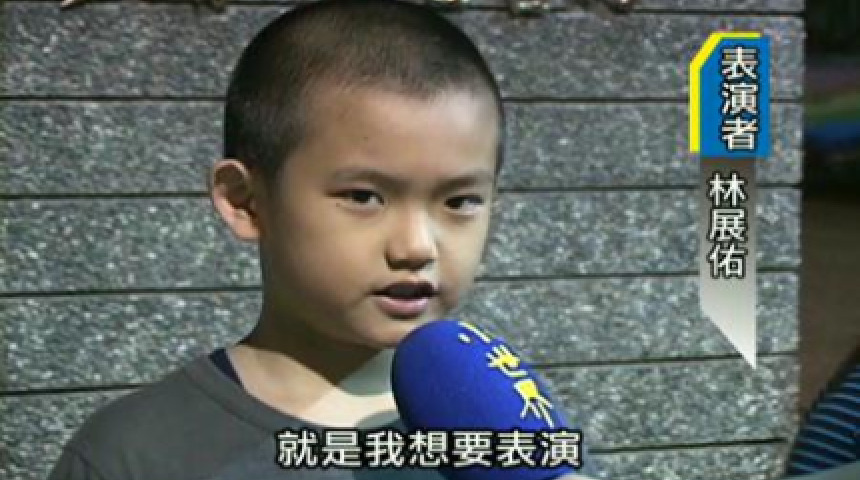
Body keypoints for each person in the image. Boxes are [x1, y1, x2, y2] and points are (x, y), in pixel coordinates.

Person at [48, 1, 593, 479]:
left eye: (459, 202)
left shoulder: (512, 424)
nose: (417, 247)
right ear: (245, 200)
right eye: (363, 196)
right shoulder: (132, 456)